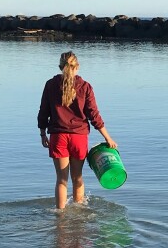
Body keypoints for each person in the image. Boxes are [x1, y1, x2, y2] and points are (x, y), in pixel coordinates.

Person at [38, 51, 117, 210]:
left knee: (61, 180)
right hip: (79, 137)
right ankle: (78, 214)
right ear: (77, 67)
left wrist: (42, 133)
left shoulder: (50, 85)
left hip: (58, 136)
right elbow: (94, 115)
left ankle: (60, 216)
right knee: (77, 178)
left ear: (60, 67)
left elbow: (43, 112)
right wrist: (108, 138)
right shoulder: (85, 87)